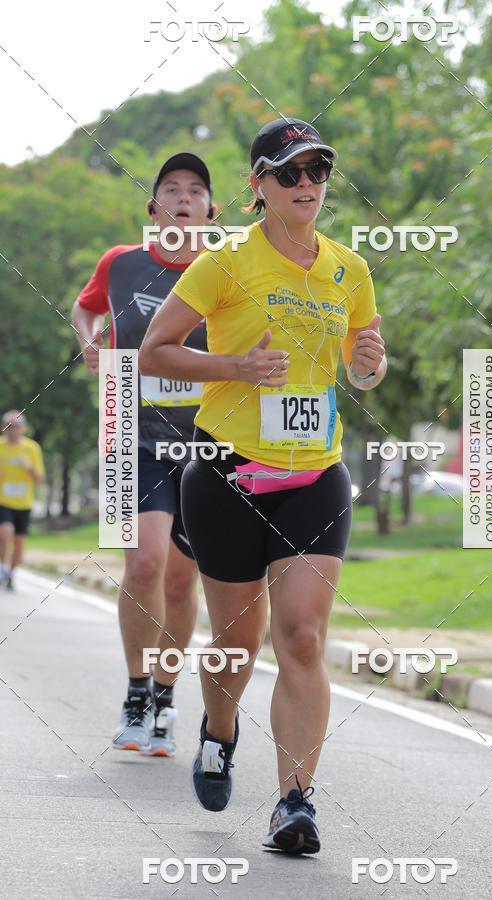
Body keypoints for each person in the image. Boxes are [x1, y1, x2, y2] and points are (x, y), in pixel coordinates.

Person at [139, 118, 386, 854]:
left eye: (317, 171)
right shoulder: (224, 264)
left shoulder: (350, 269)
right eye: (289, 173)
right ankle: (218, 732)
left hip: (314, 475)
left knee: (303, 636)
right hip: (226, 474)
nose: (306, 185)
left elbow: (361, 369)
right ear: (258, 187)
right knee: (236, 642)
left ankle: (295, 802)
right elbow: (156, 355)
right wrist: (235, 369)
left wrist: (370, 362)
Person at [72, 153, 216, 758]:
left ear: (213, 211)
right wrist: (88, 343)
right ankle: (136, 692)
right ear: (153, 209)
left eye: (195, 191)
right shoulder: (121, 265)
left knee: (183, 585)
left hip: (210, 442)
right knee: (144, 564)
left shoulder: (228, 270)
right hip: (134, 435)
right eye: (170, 191)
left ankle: (163, 692)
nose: (182, 199)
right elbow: (87, 307)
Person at [0, 411, 45, 591]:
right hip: (3, 500)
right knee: (4, 533)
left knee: (19, 547)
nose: (11, 430)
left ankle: (10, 573)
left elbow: (39, 479)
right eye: (8, 426)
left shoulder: (32, 448)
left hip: (24, 503)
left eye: (15, 426)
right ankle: (2, 566)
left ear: (23, 429)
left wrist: (29, 469)